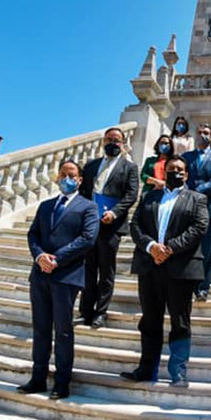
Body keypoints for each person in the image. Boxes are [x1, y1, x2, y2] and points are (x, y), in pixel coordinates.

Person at [124, 156, 209, 385]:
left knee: (180, 322)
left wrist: (170, 248)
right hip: (149, 266)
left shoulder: (197, 199)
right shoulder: (149, 197)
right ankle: (146, 368)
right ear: (164, 172)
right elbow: (136, 225)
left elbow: (199, 227)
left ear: (187, 174)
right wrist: (151, 247)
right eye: (171, 169)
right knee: (149, 321)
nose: (176, 172)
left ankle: (178, 371)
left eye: (180, 169)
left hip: (180, 268)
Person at [18, 159, 99, 400]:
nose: (67, 179)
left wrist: (57, 259)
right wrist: (39, 256)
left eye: (72, 175)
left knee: (63, 331)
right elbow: (33, 234)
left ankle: (62, 382)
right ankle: (38, 378)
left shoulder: (88, 207)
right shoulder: (46, 206)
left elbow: (88, 238)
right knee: (41, 328)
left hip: (66, 276)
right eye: (63, 174)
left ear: (80, 180)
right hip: (40, 274)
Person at [78, 127, 140, 328]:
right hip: (90, 224)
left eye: (116, 140)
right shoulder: (91, 166)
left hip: (111, 225)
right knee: (88, 269)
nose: (112, 143)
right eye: (109, 139)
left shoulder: (129, 168)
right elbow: (83, 192)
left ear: (123, 144)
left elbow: (131, 195)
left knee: (106, 271)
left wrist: (114, 213)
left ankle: (101, 312)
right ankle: (85, 312)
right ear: (103, 141)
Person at [183, 124, 211, 302]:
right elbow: (182, 176)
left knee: (207, 250)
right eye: (200, 132)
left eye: (207, 133)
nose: (203, 135)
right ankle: (187, 285)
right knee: (187, 247)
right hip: (187, 207)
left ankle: (202, 287)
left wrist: (198, 191)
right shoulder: (186, 157)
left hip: (210, 207)